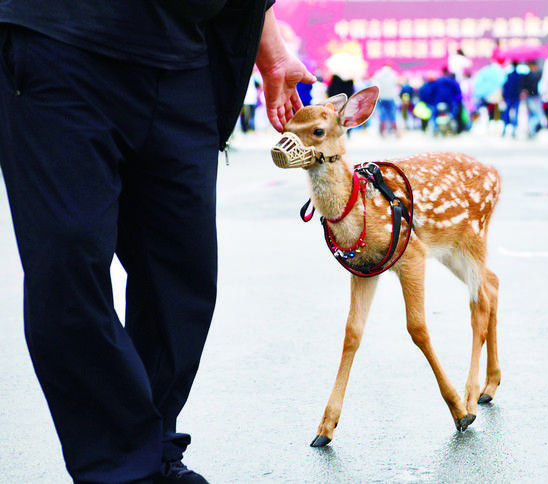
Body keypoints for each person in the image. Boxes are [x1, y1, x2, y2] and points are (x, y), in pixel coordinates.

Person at [0, 1, 315, 483]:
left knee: (181, 277)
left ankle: (153, 446)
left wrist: (270, 54)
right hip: (57, 41)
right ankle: (123, 469)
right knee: (69, 260)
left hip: (183, 57)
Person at [370, 63, 400, 137]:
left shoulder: (378, 74)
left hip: (381, 98)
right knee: (393, 115)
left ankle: (383, 133)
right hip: (391, 98)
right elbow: (397, 86)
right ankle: (396, 132)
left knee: (382, 115)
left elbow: (374, 85)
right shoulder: (394, 74)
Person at [522, 59, 544, 138]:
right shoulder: (534, 75)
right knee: (536, 115)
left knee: (533, 115)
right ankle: (531, 129)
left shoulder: (532, 75)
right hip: (532, 97)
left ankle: (531, 130)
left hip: (533, 97)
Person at [501, 60, 524, 137]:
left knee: (506, 113)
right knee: (515, 113)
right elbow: (520, 87)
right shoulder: (519, 76)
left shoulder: (508, 75)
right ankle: (514, 130)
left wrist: (503, 96)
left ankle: (504, 129)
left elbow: (505, 86)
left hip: (509, 96)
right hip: (516, 96)